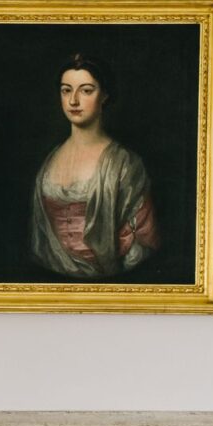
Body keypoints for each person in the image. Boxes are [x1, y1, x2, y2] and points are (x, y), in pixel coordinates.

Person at [28, 53, 160, 277]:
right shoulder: (49, 161)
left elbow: (140, 242)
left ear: (105, 95)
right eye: (66, 90)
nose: (73, 101)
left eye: (86, 90)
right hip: (50, 280)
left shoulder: (125, 163)